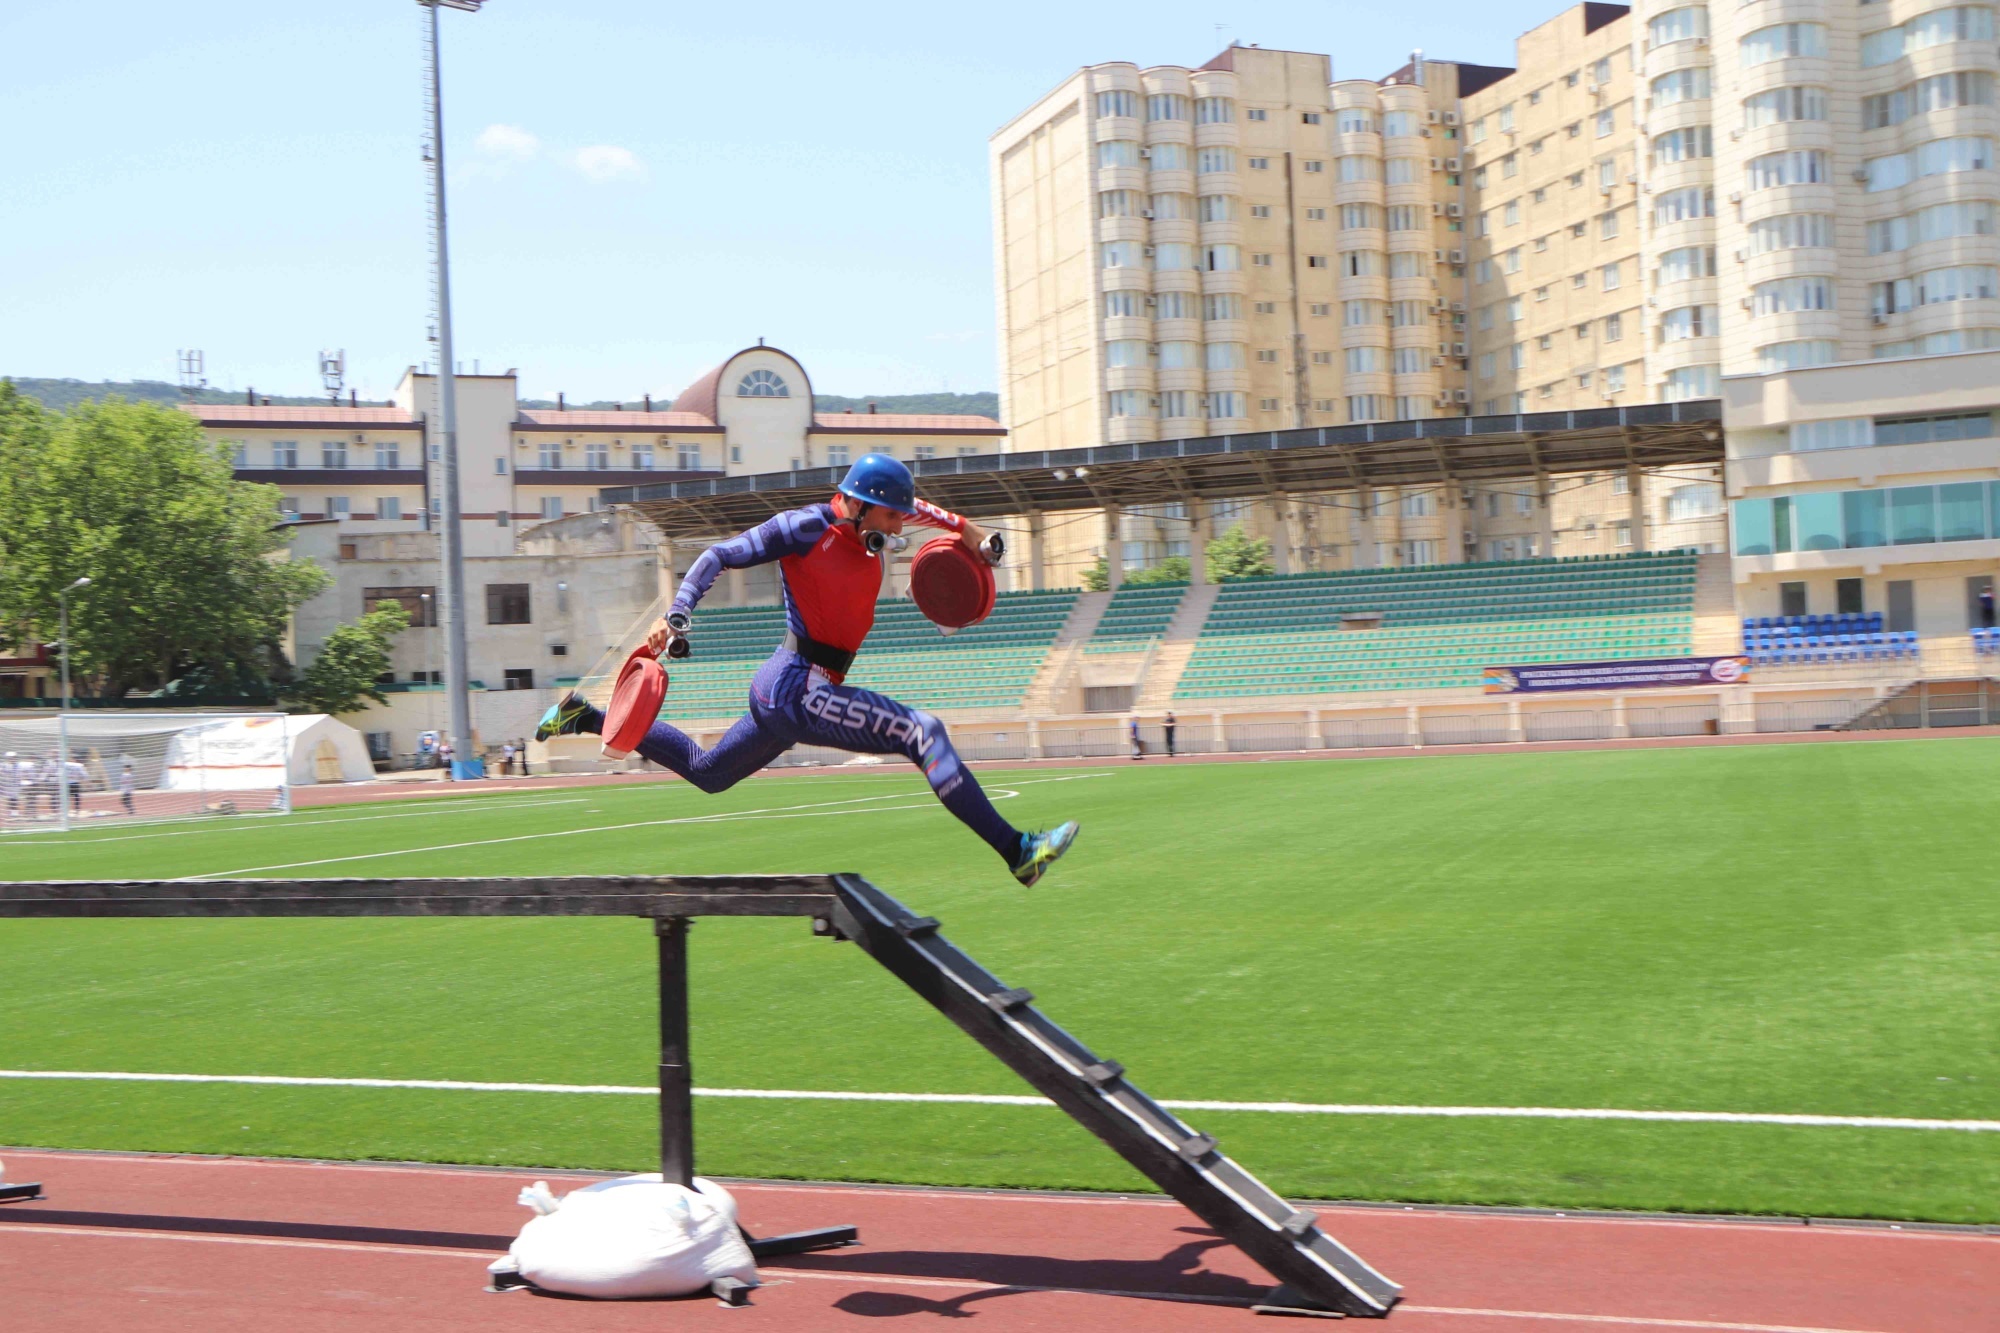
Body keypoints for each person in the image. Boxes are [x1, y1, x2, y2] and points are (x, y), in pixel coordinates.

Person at [536, 453, 1079, 887]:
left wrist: (980, 542)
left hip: (788, 689)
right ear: (861, 505)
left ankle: (583, 717)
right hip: (797, 686)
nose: (898, 528)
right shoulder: (800, 528)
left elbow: (957, 524)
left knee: (708, 773)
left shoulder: (888, 512)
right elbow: (716, 556)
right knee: (924, 732)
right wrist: (679, 610)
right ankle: (1018, 852)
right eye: (891, 518)